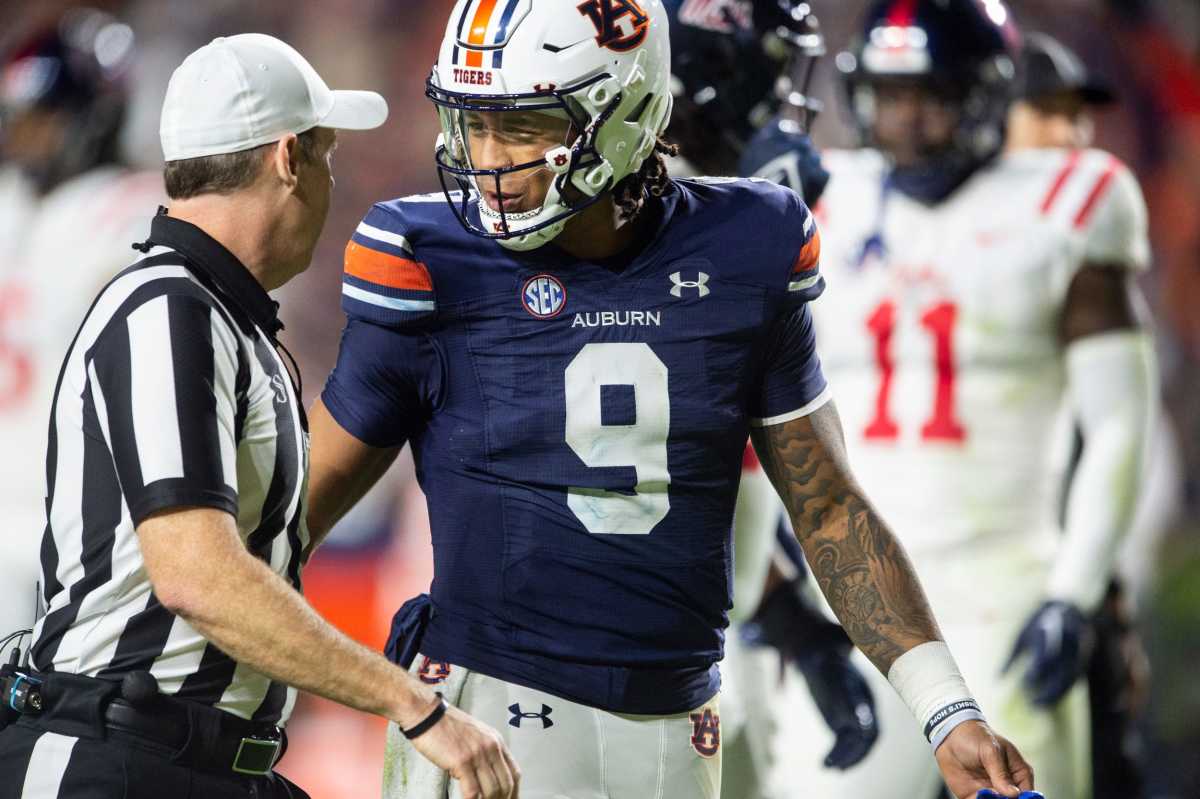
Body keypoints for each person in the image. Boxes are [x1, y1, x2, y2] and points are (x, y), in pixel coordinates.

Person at [306, 1, 1035, 797]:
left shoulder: (748, 246)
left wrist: (946, 708)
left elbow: (828, 507)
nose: (486, 160)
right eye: (472, 122)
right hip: (489, 719)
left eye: (521, 127)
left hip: (685, 724)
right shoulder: (425, 255)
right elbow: (292, 513)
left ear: (623, 114)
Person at [0, 33, 518, 799]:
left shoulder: (228, 320)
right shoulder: (166, 304)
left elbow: (267, 540)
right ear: (287, 158)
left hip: (203, 760)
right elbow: (196, 573)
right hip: (111, 759)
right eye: (326, 155)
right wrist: (412, 703)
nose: (332, 183)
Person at [735, 2, 1158, 798]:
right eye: (890, 95)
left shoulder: (1072, 199)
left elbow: (1117, 427)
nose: (908, 121)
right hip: (854, 594)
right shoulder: (813, 196)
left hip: (1007, 585)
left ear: (988, 92)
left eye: (932, 93)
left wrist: (1074, 592)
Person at [665, 3, 876, 796]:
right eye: (775, 65)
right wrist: (756, 227)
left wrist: (799, 625)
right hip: (614, 658)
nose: (788, 91)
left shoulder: (711, 208)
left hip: (717, 626)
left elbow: (722, 460)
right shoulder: (623, 221)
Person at [1007, 32, 1162, 799]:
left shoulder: (1078, 237)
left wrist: (1110, 606)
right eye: (1047, 111)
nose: (1072, 134)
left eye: (1078, 116)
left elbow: (1112, 436)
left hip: (1066, 586)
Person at [0, 8, 164, 645]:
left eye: (42, 120)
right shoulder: (12, 204)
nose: (25, 138)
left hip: (58, 528)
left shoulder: (130, 214)